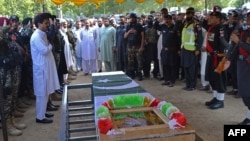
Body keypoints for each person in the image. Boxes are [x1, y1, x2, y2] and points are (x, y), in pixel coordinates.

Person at [30, 13, 60, 123]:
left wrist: (49, 44)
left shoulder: (42, 34)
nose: (48, 25)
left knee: (45, 91)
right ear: (39, 24)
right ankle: (40, 117)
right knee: (41, 93)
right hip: (41, 69)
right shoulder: (36, 36)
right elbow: (44, 50)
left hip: (45, 68)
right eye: (46, 23)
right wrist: (51, 45)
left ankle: (42, 113)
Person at [203, 11, 229, 110]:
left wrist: (223, 55)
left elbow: (224, 43)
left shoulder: (220, 28)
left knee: (219, 78)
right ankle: (215, 97)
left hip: (219, 57)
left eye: (212, 17)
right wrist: (206, 17)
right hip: (211, 56)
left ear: (218, 19)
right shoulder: (211, 28)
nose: (210, 18)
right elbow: (204, 23)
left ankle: (220, 100)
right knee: (212, 77)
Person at [229, 11, 250, 124]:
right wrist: (229, 59)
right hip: (241, 64)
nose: (247, 19)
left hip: (248, 64)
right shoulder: (244, 32)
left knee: (248, 94)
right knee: (244, 93)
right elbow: (236, 47)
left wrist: (239, 42)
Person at [180, 7, 203, 91]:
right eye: (187, 13)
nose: (188, 15)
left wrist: (198, 49)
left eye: (189, 13)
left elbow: (200, 38)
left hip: (192, 49)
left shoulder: (197, 24)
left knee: (192, 68)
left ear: (193, 14)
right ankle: (188, 84)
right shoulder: (185, 23)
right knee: (185, 67)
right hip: (184, 48)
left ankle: (192, 85)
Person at [124, 12, 145, 80]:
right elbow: (125, 36)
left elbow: (142, 36)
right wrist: (130, 32)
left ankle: (139, 74)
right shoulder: (128, 26)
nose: (131, 19)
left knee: (139, 61)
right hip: (130, 46)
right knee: (130, 61)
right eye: (131, 18)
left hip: (137, 46)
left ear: (135, 18)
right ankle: (132, 74)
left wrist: (142, 46)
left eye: (133, 17)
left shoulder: (139, 25)